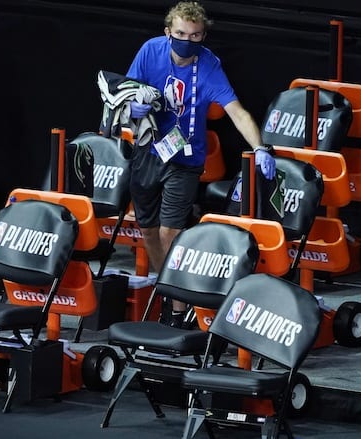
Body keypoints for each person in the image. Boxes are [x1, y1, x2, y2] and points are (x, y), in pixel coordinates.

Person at [126, 1, 275, 327]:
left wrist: (260, 147)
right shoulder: (151, 51)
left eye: (194, 35)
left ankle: (177, 310)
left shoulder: (209, 66)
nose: (186, 40)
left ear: (203, 36)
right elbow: (124, 94)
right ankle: (169, 291)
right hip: (147, 151)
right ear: (168, 32)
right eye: (180, 33)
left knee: (170, 232)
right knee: (148, 231)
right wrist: (131, 109)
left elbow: (236, 110)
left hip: (185, 158)